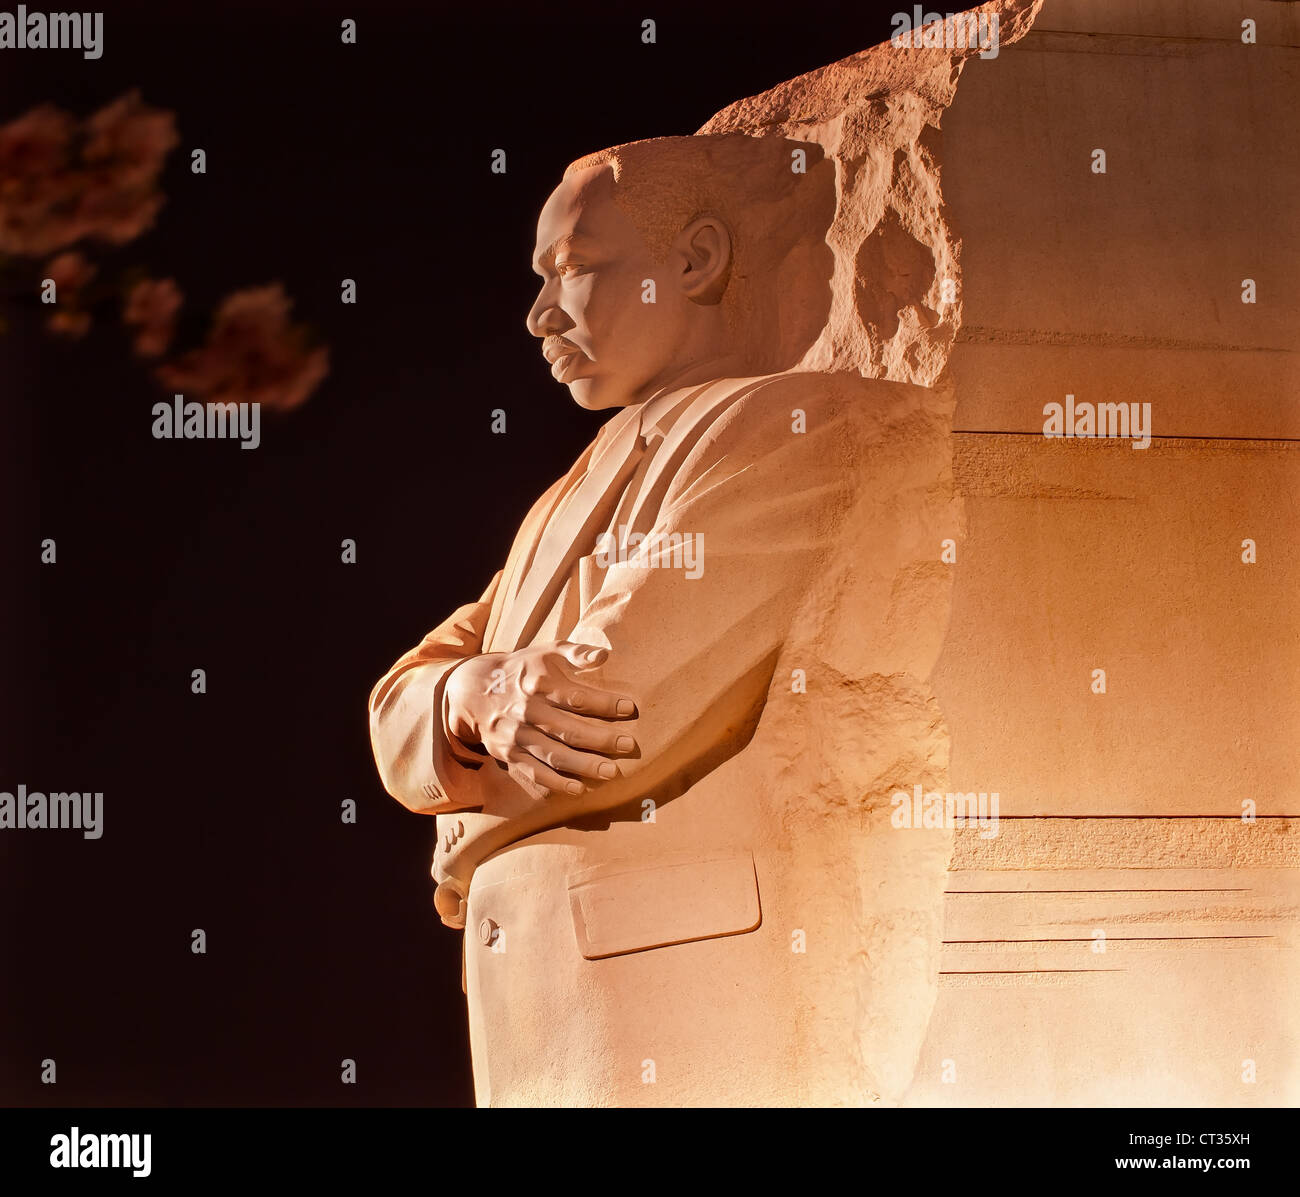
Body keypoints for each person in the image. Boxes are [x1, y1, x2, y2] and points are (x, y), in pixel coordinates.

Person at [369, 134, 955, 1106]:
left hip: (670, 975)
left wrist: (461, 781)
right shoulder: (569, 489)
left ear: (695, 260)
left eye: (578, 271)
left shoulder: (796, 424)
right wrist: (476, 689)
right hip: (538, 989)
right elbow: (403, 700)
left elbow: (609, 711)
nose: (539, 315)